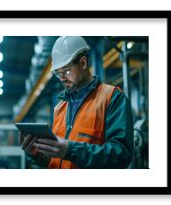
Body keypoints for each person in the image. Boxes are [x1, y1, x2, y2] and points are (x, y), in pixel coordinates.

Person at [19, 36, 133, 169]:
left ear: (83, 63)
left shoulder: (112, 98)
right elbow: (54, 162)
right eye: (58, 73)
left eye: (66, 71)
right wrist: (36, 155)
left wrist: (70, 150)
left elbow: (121, 155)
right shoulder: (60, 108)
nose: (62, 78)